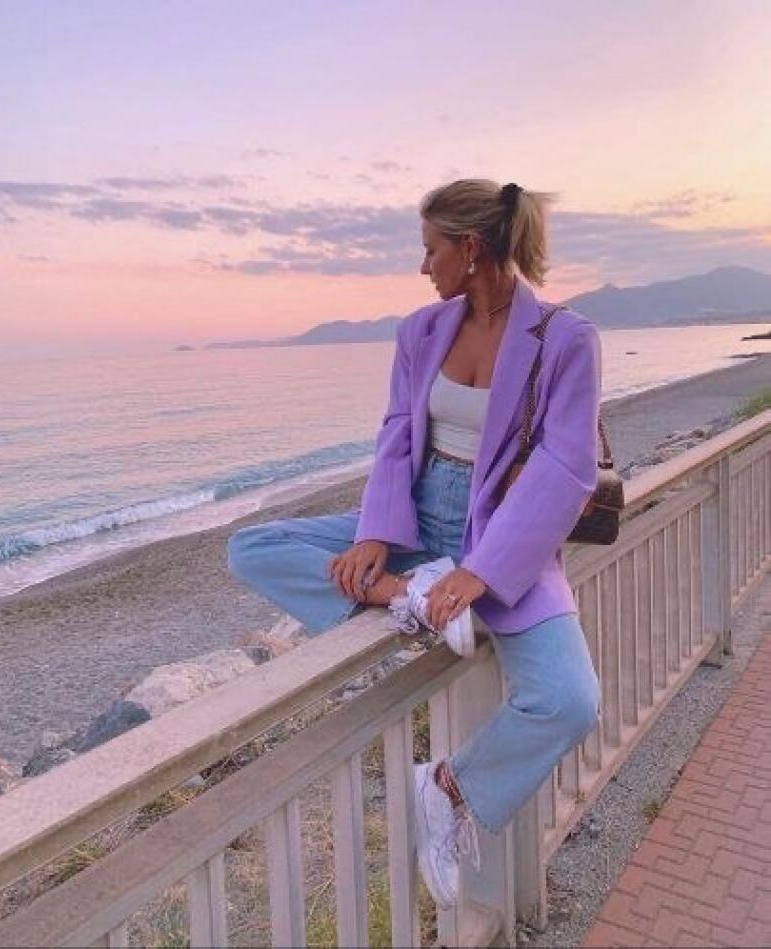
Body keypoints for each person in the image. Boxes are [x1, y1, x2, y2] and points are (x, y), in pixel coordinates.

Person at [227, 178, 601, 909]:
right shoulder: (419, 332)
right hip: (414, 521)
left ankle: (448, 787)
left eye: (431, 250)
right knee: (251, 547)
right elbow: (398, 437)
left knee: (569, 699)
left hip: (502, 537)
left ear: (471, 248)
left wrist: (480, 572)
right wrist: (376, 535)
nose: (423, 266)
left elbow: (566, 468)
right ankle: (408, 597)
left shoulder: (566, 339)